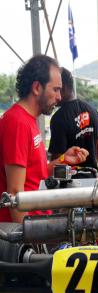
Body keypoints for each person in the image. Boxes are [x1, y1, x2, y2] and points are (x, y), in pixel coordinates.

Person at [0, 55, 89, 223]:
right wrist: (28, 242)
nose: (59, 97)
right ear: (36, 87)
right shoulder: (17, 122)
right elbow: (14, 192)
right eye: (55, 89)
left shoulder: (28, 120)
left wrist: (64, 159)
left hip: (37, 224)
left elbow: (34, 175)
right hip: (26, 231)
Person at [48, 67, 98, 173]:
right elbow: (97, 147)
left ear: (64, 88)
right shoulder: (92, 111)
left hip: (70, 183)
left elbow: (57, 158)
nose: (56, 95)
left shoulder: (59, 118)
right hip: (92, 178)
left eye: (57, 89)